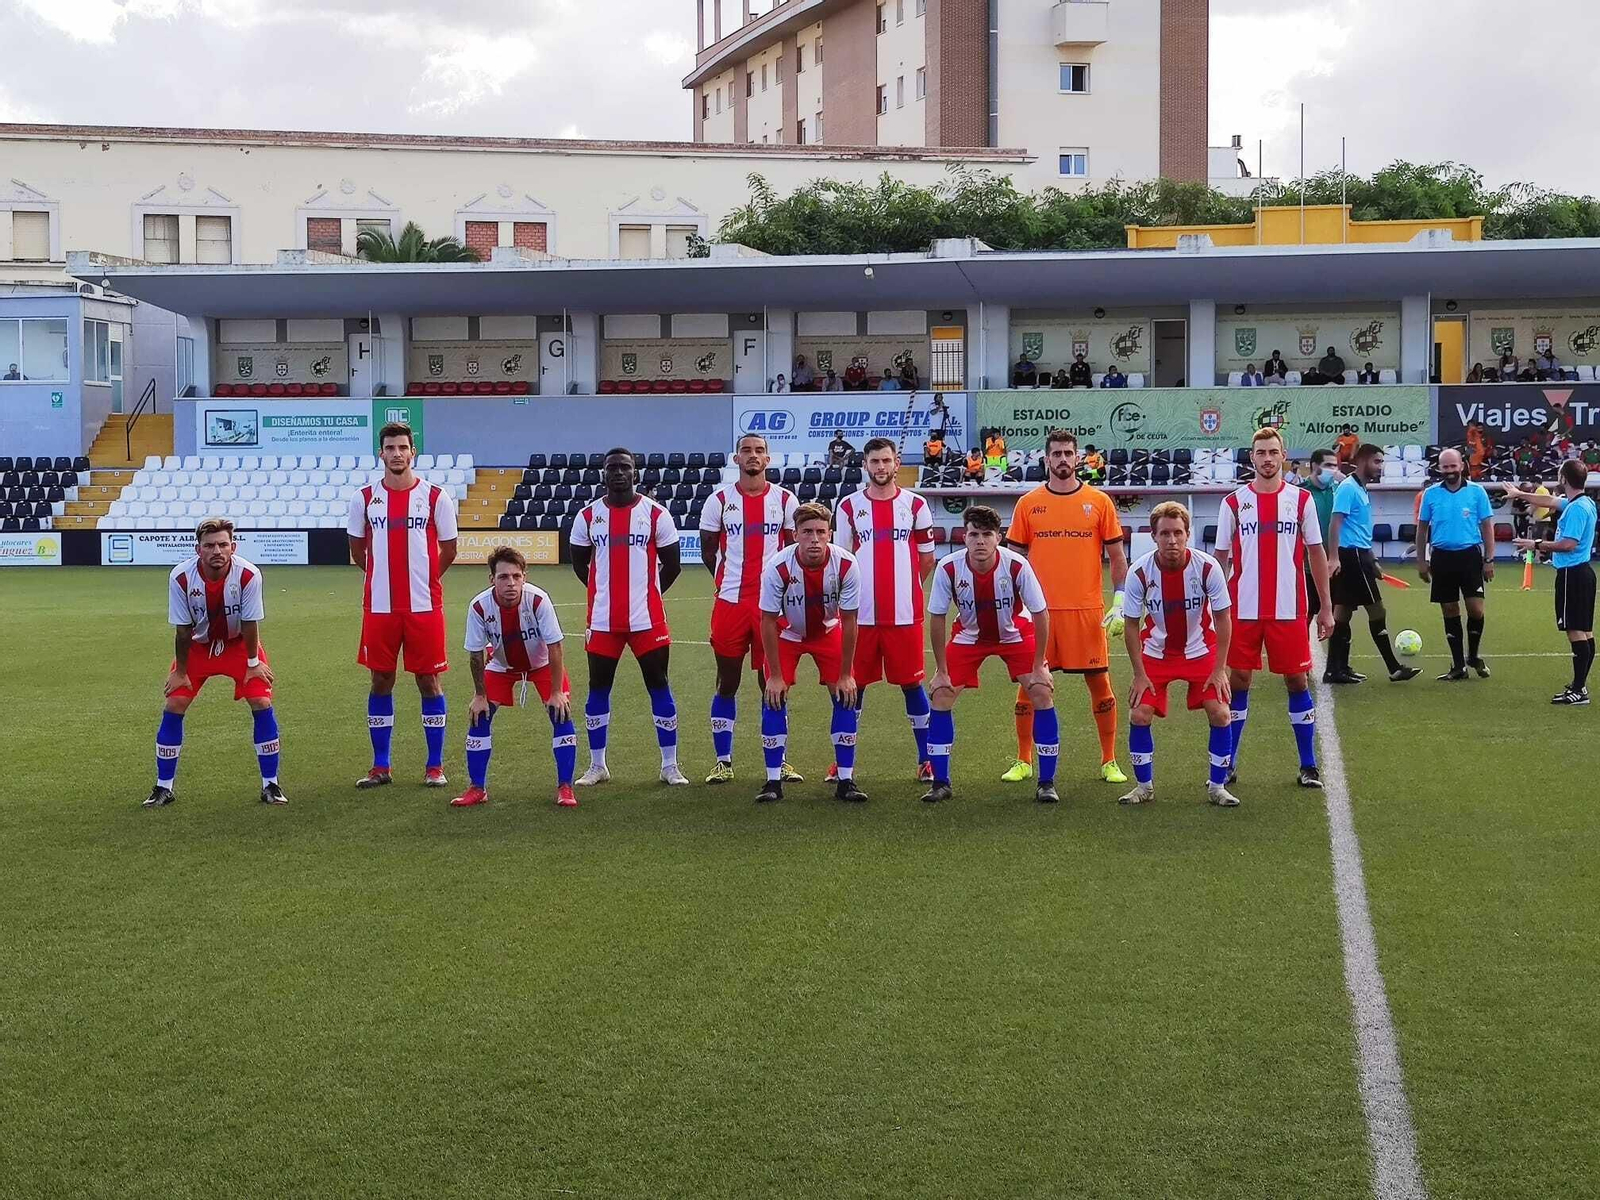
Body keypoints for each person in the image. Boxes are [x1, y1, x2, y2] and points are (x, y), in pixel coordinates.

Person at [1002, 429, 1129, 786]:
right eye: (1055, 454)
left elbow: (1117, 557)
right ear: (1046, 460)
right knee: (1029, 686)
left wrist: (1119, 601)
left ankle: (1109, 760)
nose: (1061, 459)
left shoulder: (1099, 502)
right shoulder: (1028, 504)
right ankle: (1024, 759)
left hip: (1086, 612)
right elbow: (1014, 561)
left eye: (1067, 454)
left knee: (1100, 685)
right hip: (1039, 614)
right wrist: (1013, 608)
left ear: (1078, 459)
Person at [1213, 427, 1335, 790]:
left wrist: (1326, 607)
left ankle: (1308, 764)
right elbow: (1221, 559)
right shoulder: (1232, 503)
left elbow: (1316, 553)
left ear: (1284, 457)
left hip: (1289, 609)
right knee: (1239, 681)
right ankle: (1228, 761)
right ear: (1252, 458)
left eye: (1273, 452)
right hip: (1243, 609)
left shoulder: (1301, 501)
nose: (1267, 458)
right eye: (1260, 452)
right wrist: (1215, 609)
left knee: (1296, 680)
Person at [348, 421, 458, 790]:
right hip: (378, 608)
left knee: (429, 681)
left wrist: (425, 580)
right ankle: (381, 766)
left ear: (413, 452)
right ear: (380, 453)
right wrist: (382, 578)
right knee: (381, 679)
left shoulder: (435, 497)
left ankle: (435, 766)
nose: (397, 454)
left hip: (424, 607)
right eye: (390, 448)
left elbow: (450, 549)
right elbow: (357, 551)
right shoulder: (363, 499)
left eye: (402, 448)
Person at [145, 517, 283, 808]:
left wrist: (253, 662)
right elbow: (182, 631)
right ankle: (163, 787)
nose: (217, 551)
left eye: (222, 544)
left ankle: (270, 785)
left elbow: (249, 622)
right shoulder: (180, 577)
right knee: (174, 703)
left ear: (233, 547)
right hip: (197, 647)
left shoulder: (249, 575)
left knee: (261, 701)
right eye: (209, 545)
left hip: (239, 645)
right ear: (198, 549)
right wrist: (180, 672)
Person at [569, 447, 687, 786]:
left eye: (625, 467)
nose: (618, 472)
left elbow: (673, 565)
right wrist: (602, 593)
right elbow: (579, 564)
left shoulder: (656, 515)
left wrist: (647, 594)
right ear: (603, 473)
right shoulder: (588, 517)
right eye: (612, 468)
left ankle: (669, 765)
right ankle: (597, 766)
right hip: (603, 621)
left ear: (635, 472)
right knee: (598, 688)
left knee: (659, 685)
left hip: (647, 621)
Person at [924, 506, 1057, 804]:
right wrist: (941, 670)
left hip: (1015, 635)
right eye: (974, 535)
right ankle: (940, 783)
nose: (980, 541)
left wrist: (1038, 665)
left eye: (987, 535)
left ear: (999, 538)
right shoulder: (948, 567)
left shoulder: (1016, 565)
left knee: (1041, 692)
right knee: (941, 695)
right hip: (969, 637)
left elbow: (1040, 613)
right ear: (964, 537)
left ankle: (1046, 782)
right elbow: (937, 618)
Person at [1118, 501, 1238, 807]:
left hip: (1201, 652)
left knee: (1221, 713)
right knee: (1139, 714)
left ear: (1188, 534)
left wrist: (1220, 669)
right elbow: (1131, 625)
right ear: (1154, 536)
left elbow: (1224, 618)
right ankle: (1144, 787)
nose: (1172, 540)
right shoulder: (1140, 571)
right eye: (1165, 534)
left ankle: (1217, 786)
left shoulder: (1207, 567)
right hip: (1156, 653)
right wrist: (1139, 674)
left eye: (1178, 533)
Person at [832, 437, 937, 781]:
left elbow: (926, 559)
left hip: (904, 615)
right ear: (865, 465)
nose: (880, 467)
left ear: (897, 463)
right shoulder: (848, 506)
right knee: (851, 688)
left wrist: (905, 587)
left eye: (886, 461)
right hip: (858, 617)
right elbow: (841, 560)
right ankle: (842, 763)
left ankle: (927, 758)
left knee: (912, 685)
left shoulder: (916, 505)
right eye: (874, 461)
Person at [699, 432, 799, 785]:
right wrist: (727, 582)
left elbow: (792, 551)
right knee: (727, 681)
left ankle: (779, 760)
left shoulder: (786, 500)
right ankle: (723, 761)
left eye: (759, 451)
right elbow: (709, 549)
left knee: (773, 682)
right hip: (730, 604)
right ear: (736, 458)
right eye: (746, 450)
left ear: (768, 459)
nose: (753, 456)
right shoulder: (719, 500)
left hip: (772, 607)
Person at [756, 502, 866, 803]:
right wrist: (776, 676)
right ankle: (772, 781)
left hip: (828, 632)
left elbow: (850, 619)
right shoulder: (778, 566)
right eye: (807, 532)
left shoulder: (846, 564)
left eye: (820, 532)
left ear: (830, 533)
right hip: (787, 633)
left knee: (846, 696)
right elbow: (766, 620)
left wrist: (845, 674)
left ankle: (845, 781)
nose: (814, 539)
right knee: (773, 696)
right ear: (795, 535)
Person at [453, 546, 577, 809]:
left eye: (516, 576)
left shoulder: (538, 600)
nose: (510, 583)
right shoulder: (479, 607)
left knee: (561, 712)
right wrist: (479, 695)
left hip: (542, 664)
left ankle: (565, 787)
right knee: (480, 716)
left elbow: (555, 647)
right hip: (501, 666)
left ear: (524, 577)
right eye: (503, 577)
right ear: (492, 579)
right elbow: (476, 655)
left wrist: (556, 692)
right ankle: (477, 788)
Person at [1325, 444, 1422, 685]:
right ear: (1363, 461)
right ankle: (1393, 667)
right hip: (1352, 557)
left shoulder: (1360, 488)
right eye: (1377, 462)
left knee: (1343, 613)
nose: (1381, 467)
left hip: (1360, 555)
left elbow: (1358, 528)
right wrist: (1334, 557)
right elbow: (1335, 523)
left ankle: (1335, 669)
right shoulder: (1348, 488)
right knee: (1377, 610)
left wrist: (1373, 561)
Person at [1512, 458, 1598, 705]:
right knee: (1584, 630)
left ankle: (1579, 690)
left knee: (1575, 630)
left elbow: (1568, 545)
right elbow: (1549, 501)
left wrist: (1536, 544)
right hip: (1580, 573)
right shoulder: (1581, 502)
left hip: (1573, 574)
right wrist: (1520, 493)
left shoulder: (1578, 509)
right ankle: (1579, 686)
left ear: (1563, 479)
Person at [1417, 449, 1495, 682]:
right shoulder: (1430, 495)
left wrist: (1489, 559)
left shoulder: (1477, 492)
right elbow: (1422, 530)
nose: (1450, 471)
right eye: (1445, 467)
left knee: (1476, 610)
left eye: (1453, 466)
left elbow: (1487, 526)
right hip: (1441, 558)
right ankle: (1458, 665)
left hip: (1470, 557)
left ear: (1462, 465)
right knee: (1450, 610)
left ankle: (1473, 655)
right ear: (1439, 468)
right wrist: (1421, 561)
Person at [1303, 449, 1339, 628]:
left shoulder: (1338, 491)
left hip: (1335, 567)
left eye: (1335, 466)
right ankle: (1300, 655)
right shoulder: (1300, 493)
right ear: (1315, 466)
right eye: (1328, 465)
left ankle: (1336, 657)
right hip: (1306, 567)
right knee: (1305, 615)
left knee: (1337, 618)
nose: (1333, 470)